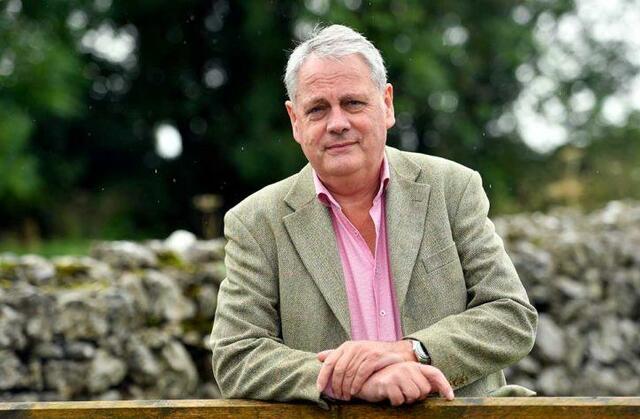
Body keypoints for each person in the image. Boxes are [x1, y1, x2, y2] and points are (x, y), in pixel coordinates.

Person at [210, 24, 537, 408]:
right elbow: (236, 356)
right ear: (295, 121)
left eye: (353, 103)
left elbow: (511, 316)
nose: (337, 123)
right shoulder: (256, 221)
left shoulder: (453, 188)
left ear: (387, 105)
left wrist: (410, 352)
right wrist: (350, 380)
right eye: (317, 109)